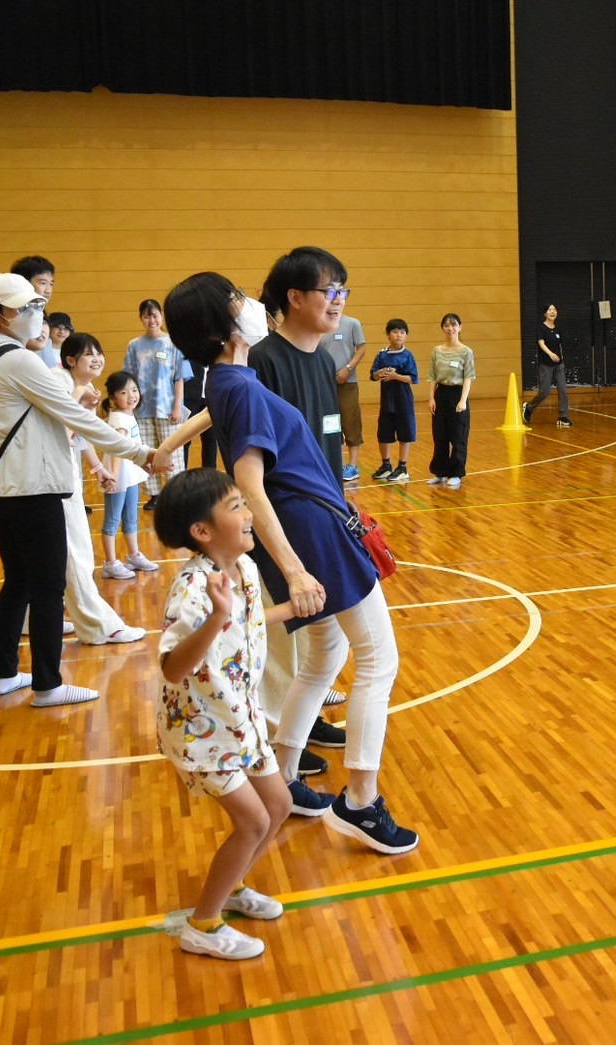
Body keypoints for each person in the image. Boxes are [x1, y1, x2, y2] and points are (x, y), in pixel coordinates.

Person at [164, 268, 418, 853]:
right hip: (312, 532)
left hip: (308, 527)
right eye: (236, 299)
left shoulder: (228, 382)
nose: (250, 303)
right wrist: (297, 568)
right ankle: (361, 801)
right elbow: (248, 478)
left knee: (323, 657)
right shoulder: (242, 387)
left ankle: (281, 775)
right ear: (223, 322)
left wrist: (167, 445)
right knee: (378, 659)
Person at [0, 273, 160, 708]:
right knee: (49, 586)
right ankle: (48, 684)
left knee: (18, 581)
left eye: (36, 306)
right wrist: (142, 453)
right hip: (32, 488)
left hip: (3, 488)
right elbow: (80, 417)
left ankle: (2, 673)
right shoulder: (18, 359)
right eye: (23, 308)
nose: (34, 315)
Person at [154, 468, 294, 960]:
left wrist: (294, 607)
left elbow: (249, 622)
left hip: (242, 719)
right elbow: (174, 667)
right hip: (201, 731)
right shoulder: (194, 587)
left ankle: (231, 887)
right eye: (236, 507)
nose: (249, 513)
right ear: (202, 531)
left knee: (278, 806)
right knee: (254, 822)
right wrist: (215, 617)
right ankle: (203, 925)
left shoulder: (246, 571)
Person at [57, 334, 147, 645]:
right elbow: (66, 428)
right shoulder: (60, 383)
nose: (96, 359)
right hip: (55, 483)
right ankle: (98, 626)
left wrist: (98, 468)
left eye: (99, 353)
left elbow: (80, 434)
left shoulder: (81, 391)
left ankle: (40, 616)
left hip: (65, 478)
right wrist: (141, 458)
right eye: (88, 355)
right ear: (70, 360)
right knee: (77, 552)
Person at [124, 298, 193, 509]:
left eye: (154, 315)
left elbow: (179, 378)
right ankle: (154, 495)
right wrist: (130, 407)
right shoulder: (134, 345)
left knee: (173, 451)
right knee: (147, 451)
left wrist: (177, 406)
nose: (151, 320)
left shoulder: (175, 343)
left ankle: (177, 493)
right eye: (146, 316)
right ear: (141, 319)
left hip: (168, 408)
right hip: (142, 409)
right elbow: (129, 377)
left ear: (161, 316)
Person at [95, 371, 157, 580]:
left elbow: (134, 447)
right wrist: (112, 475)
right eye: (124, 392)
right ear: (113, 398)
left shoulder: (127, 415)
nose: (131, 395)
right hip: (119, 476)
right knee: (112, 520)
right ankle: (111, 563)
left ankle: (134, 555)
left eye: (134, 390)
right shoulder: (119, 418)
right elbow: (119, 450)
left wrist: (145, 465)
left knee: (131, 518)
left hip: (130, 475)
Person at [427, 313, 476, 490]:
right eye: (447, 325)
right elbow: (432, 376)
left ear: (460, 327)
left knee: (458, 435)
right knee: (440, 434)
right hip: (441, 393)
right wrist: (431, 397)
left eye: (454, 325)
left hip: (458, 393)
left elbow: (469, 377)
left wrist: (463, 401)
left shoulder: (466, 351)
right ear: (442, 328)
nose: (450, 328)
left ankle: (455, 473)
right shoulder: (436, 351)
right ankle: (440, 472)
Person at [320, 307, 368, 483]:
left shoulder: (352, 323)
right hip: (325, 383)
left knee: (351, 422)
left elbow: (361, 349)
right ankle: (336, 464)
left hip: (348, 382)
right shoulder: (320, 323)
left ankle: (353, 466)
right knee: (331, 424)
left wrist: (347, 369)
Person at [369, 318, 420, 483]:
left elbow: (413, 378)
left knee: (405, 433)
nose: (399, 335)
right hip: (387, 400)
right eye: (395, 332)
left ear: (406, 336)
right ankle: (386, 465)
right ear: (388, 334)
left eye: (402, 332)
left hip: (403, 400)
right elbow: (373, 375)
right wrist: (380, 373)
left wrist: (396, 376)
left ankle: (402, 467)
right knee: (384, 434)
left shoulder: (408, 355)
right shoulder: (382, 354)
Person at [523, 303, 573, 427]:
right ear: (545, 313)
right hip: (546, 364)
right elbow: (541, 343)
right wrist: (550, 354)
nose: (552, 312)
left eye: (554, 309)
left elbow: (561, 344)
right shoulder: (541, 328)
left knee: (563, 390)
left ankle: (563, 417)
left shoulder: (558, 329)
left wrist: (561, 356)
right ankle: (529, 407)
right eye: (550, 310)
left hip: (559, 364)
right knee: (544, 392)